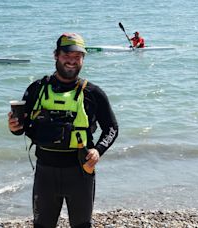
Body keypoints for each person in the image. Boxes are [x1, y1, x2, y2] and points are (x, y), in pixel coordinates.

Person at [8, 33, 118, 228]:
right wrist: (14, 127)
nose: (71, 61)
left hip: (80, 172)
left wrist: (98, 150)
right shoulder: (37, 89)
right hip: (45, 173)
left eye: (77, 57)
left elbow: (111, 128)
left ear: (83, 59)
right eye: (67, 55)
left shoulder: (93, 93)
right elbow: (22, 128)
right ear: (56, 55)